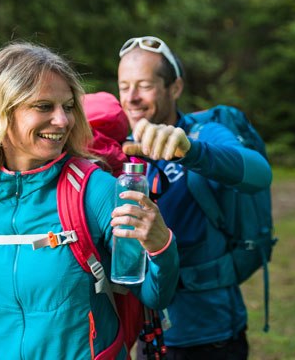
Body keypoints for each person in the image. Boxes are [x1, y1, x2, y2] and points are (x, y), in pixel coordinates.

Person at [0, 42, 179, 359]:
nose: (63, 121)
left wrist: (161, 244)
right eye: (43, 106)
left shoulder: (97, 191)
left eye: (67, 107)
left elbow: (153, 294)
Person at [116, 36, 272, 359]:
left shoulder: (204, 134)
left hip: (211, 335)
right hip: (148, 337)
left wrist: (190, 151)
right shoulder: (119, 148)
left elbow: (259, 173)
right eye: (124, 86)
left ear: (175, 88)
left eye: (144, 85)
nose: (131, 98)